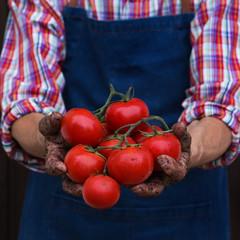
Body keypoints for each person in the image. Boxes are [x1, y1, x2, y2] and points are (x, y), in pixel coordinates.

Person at [0, 0, 239, 239]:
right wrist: (50, 141)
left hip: (190, 213)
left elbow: (220, 107)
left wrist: (189, 150)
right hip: (64, 212)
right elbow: (24, 99)